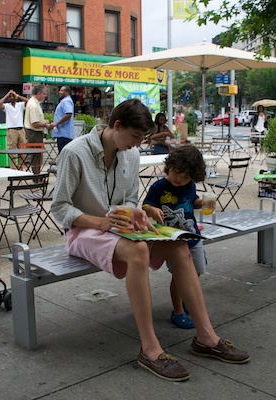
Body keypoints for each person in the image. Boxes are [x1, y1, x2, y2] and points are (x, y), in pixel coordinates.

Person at [51, 99, 249, 382]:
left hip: (121, 229)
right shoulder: (74, 152)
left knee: (180, 245)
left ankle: (206, 337)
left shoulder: (130, 155)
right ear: (117, 125)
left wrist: (137, 212)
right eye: (134, 137)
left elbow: (130, 198)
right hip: (84, 231)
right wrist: (101, 221)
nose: (137, 144)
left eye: (141, 139)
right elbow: (60, 208)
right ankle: (150, 348)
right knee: (140, 250)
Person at [142, 146, 211, 330]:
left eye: (186, 176)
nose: (179, 179)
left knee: (197, 271)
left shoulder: (189, 185)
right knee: (179, 276)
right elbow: (145, 206)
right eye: (176, 173)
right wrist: (152, 210)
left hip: (192, 237)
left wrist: (202, 202)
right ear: (169, 167)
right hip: (172, 242)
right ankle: (178, 310)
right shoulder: (159, 187)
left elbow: (193, 201)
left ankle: (188, 297)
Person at [0, 89, 28, 170]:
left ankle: (21, 168)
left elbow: (28, 101)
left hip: (21, 129)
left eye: (13, 96)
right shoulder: (7, 106)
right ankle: (13, 169)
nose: (11, 98)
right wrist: (8, 94)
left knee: (22, 151)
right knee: (12, 151)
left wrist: (17, 95)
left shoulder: (20, 105)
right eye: (10, 97)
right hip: (11, 130)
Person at [24, 84, 50, 174]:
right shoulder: (33, 105)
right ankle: (36, 175)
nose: (45, 96)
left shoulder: (35, 102)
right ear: (38, 93)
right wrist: (45, 125)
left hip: (35, 131)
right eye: (44, 93)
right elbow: (34, 123)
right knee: (36, 154)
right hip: (34, 132)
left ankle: (36, 173)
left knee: (37, 154)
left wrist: (43, 121)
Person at [51, 85, 74, 153]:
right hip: (62, 133)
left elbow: (68, 113)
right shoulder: (64, 101)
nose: (59, 92)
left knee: (63, 155)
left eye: (61, 91)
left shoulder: (66, 101)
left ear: (67, 92)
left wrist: (57, 123)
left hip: (64, 134)